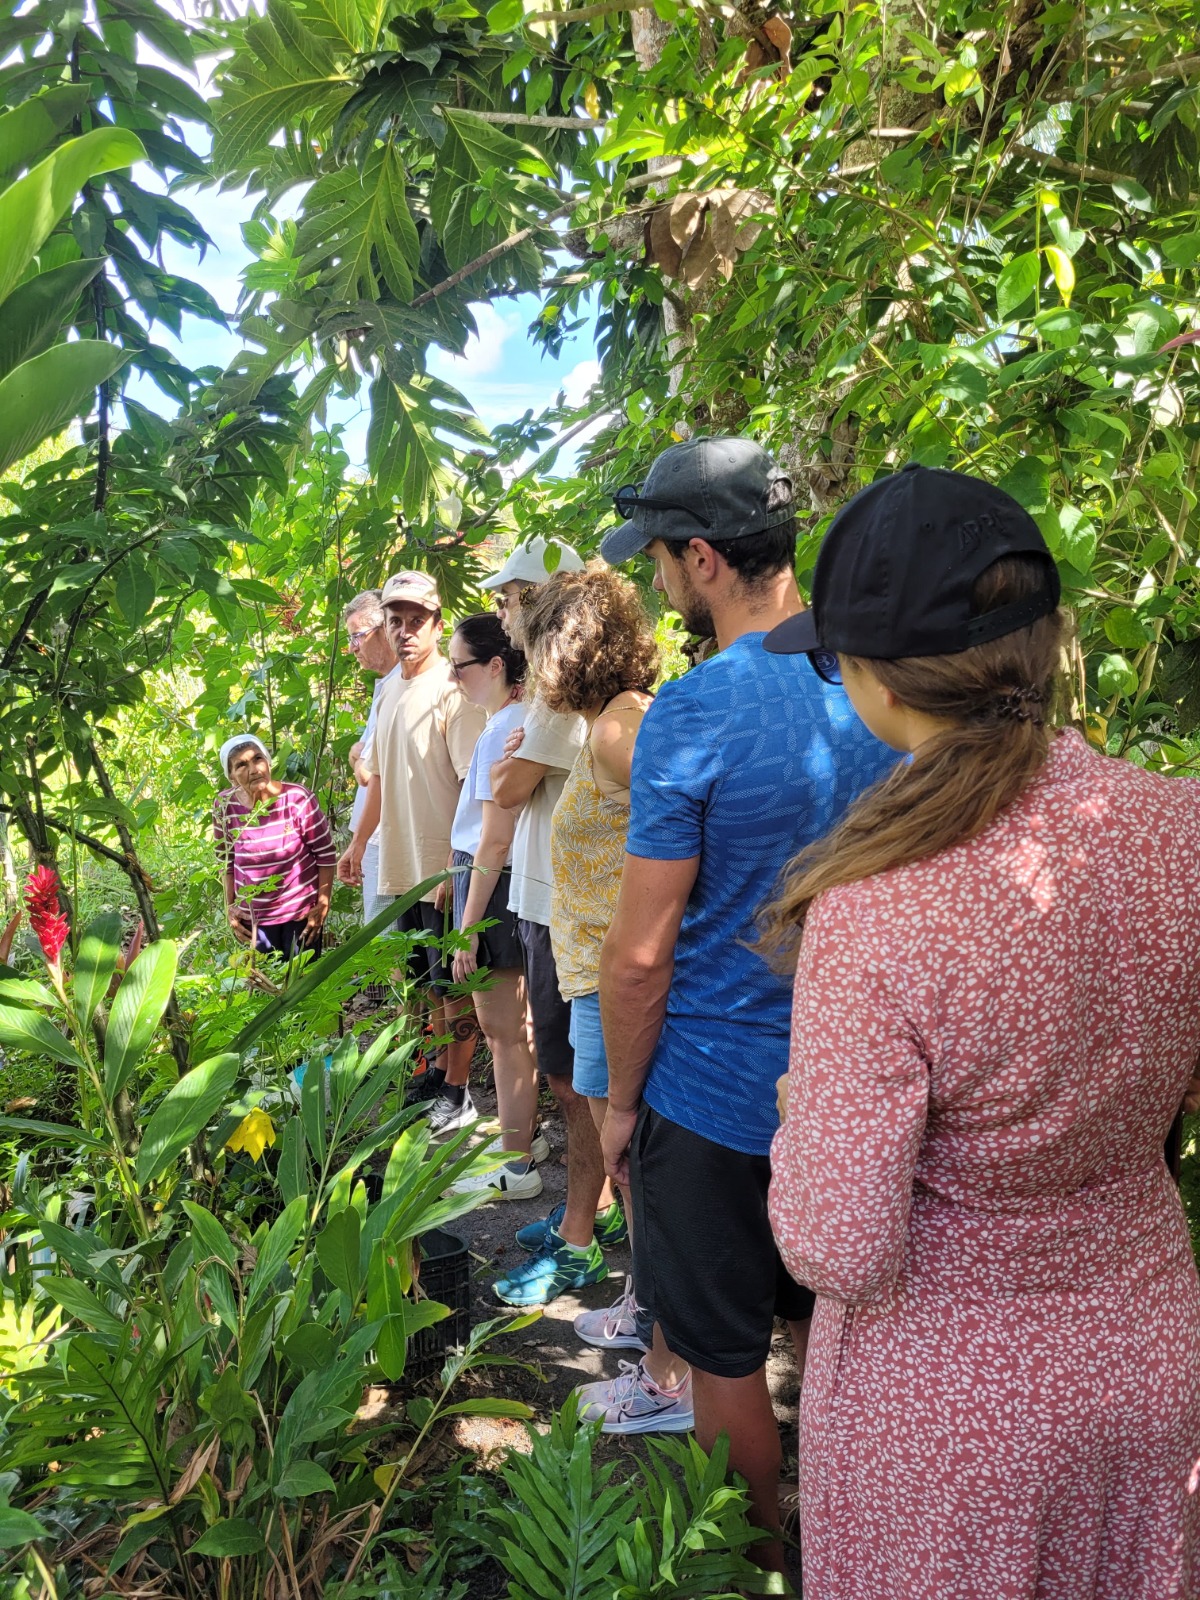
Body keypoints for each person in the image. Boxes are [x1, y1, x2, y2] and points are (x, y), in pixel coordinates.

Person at [761, 464, 1200, 1600]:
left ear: (876, 681)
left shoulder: (876, 908)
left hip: (951, 1423)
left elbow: (841, 1247)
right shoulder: (1181, 829)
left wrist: (803, 1120)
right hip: (1150, 1359)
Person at [593, 438, 896, 1546]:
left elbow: (639, 954)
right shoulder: (886, 686)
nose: (656, 576)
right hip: (864, 1085)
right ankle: (860, 1547)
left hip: (714, 1096)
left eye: (659, 556)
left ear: (704, 559)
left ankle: (762, 1559)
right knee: (844, 1344)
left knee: (724, 1354)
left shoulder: (695, 711)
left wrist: (621, 1105)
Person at [481, 538, 629, 1309]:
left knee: (578, 1084)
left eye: (512, 597)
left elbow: (508, 788)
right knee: (573, 1079)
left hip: (569, 915)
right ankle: (591, 1213)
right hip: (549, 906)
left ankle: (580, 1240)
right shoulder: (553, 694)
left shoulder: (560, 695)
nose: (505, 611)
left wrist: (512, 761)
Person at [520, 567, 662, 1362]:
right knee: (629, 1161)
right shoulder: (608, 723)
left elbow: (688, 825)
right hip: (594, 974)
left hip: (618, 977)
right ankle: (649, 1306)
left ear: (563, 649)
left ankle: (660, 1334)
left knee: (632, 1162)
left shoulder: (620, 728)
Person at [336, 571, 486, 1134]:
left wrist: (453, 863)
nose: (405, 632)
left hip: (442, 866)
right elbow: (377, 777)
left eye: (416, 621)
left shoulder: (453, 690)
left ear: (437, 624)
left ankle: (459, 1091)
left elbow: (473, 785)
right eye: (396, 621)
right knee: (425, 980)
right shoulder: (391, 689)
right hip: (401, 864)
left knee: (454, 984)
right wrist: (357, 843)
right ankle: (437, 1072)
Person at [443, 613, 544, 1199]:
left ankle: (516, 1165)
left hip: (490, 884)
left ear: (497, 665)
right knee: (518, 1025)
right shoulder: (522, 719)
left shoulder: (503, 727)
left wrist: (468, 925)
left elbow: (492, 838)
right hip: (505, 880)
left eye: (460, 667)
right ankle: (525, 1138)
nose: (454, 678)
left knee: (501, 1031)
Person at [214, 734, 336, 959]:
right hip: (253, 918)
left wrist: (322, 905)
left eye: (257, 759)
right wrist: (230, 908)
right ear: (231, 776)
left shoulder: (297, 799)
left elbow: (326, 856)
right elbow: (226, 862)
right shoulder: (224, 806)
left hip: (300, 914)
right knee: (263, 979)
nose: (253, 770)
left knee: (303, 978)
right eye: (241, 765)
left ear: (268, 762)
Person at [343, 590, 400, 925]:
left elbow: (367, 770)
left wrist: (358, 758)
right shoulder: (386, 685)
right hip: (375, 834)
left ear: (385, 630)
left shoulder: (402, 686)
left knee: (385, 937)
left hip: (386, 835)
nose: (353, 648)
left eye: (358, 636)